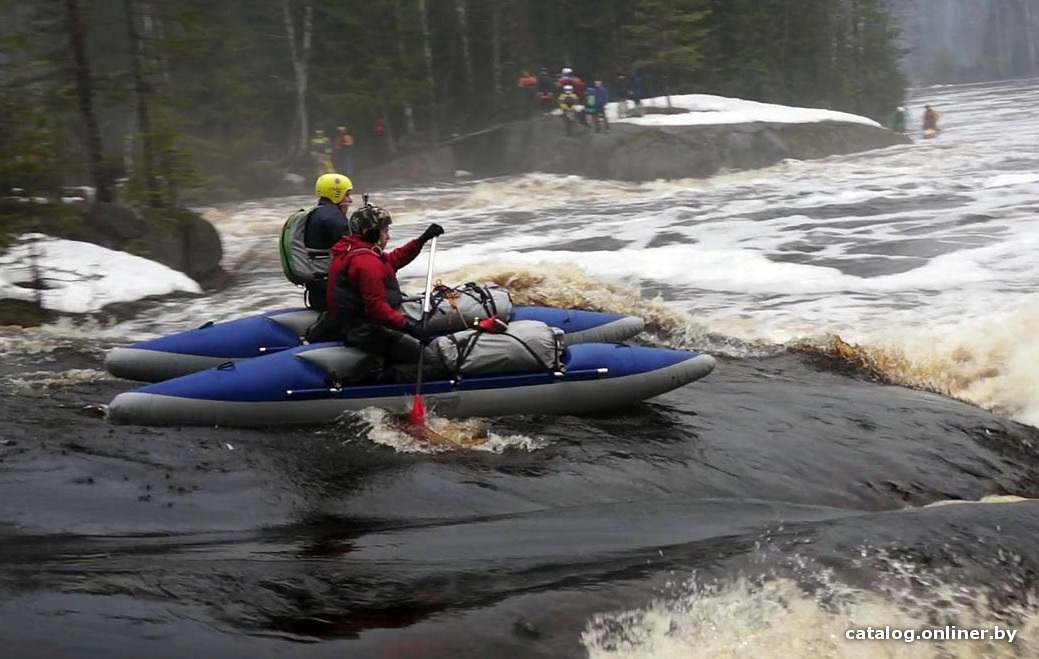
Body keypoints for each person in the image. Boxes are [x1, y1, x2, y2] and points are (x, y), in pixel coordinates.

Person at [326, 204, 445, 367]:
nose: (388, 236)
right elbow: (376, 308)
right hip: (367, 330)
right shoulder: (365, 262)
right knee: (433, 360)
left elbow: (393, 260)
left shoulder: (353, 249)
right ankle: (385, 373)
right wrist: (408, 327)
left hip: (357, 323)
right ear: (372, 232)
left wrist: (421, 240)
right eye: (385, 231)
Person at [299, 173, 354, 310]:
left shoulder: (316, 213)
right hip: (331, 289)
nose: (350, 200)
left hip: (317, 287)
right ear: (336, 194)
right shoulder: (333, 216)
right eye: (346, 195)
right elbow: (354, 248)